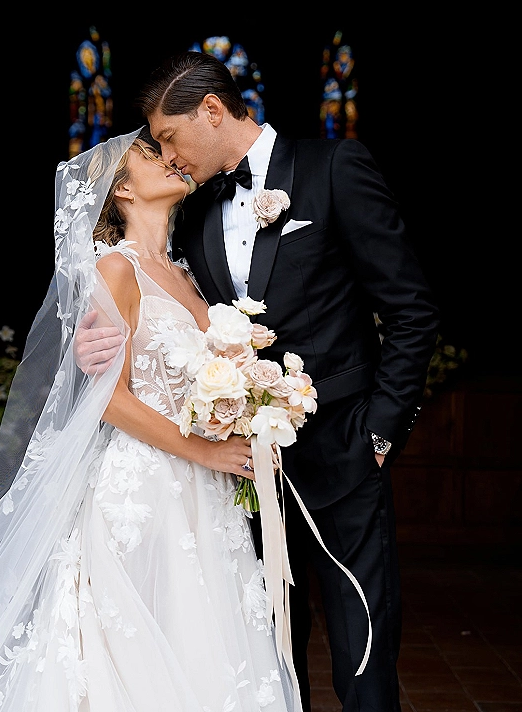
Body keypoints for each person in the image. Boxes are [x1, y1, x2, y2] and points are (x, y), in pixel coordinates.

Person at [74, 50, 441, 712]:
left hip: (344, 455)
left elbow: (412, 307)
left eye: (169, 137)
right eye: (156, 149)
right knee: (259, 651)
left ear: (211, 109)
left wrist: (381, 431)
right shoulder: (192, 209)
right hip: (233, 481)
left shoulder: (334, 169)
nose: (169, 154)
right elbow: (149, 301)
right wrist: (95, 332)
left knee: (362, 651)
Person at [0, 127, 302, 711]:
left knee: (205, 638)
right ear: (123, 191)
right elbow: (107, 399)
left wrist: (252, 411)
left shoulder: (189, 274)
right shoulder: (115, 270)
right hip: (144, 487)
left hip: (202, 493)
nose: (171, 161)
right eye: (151, 155)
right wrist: (207, 451)